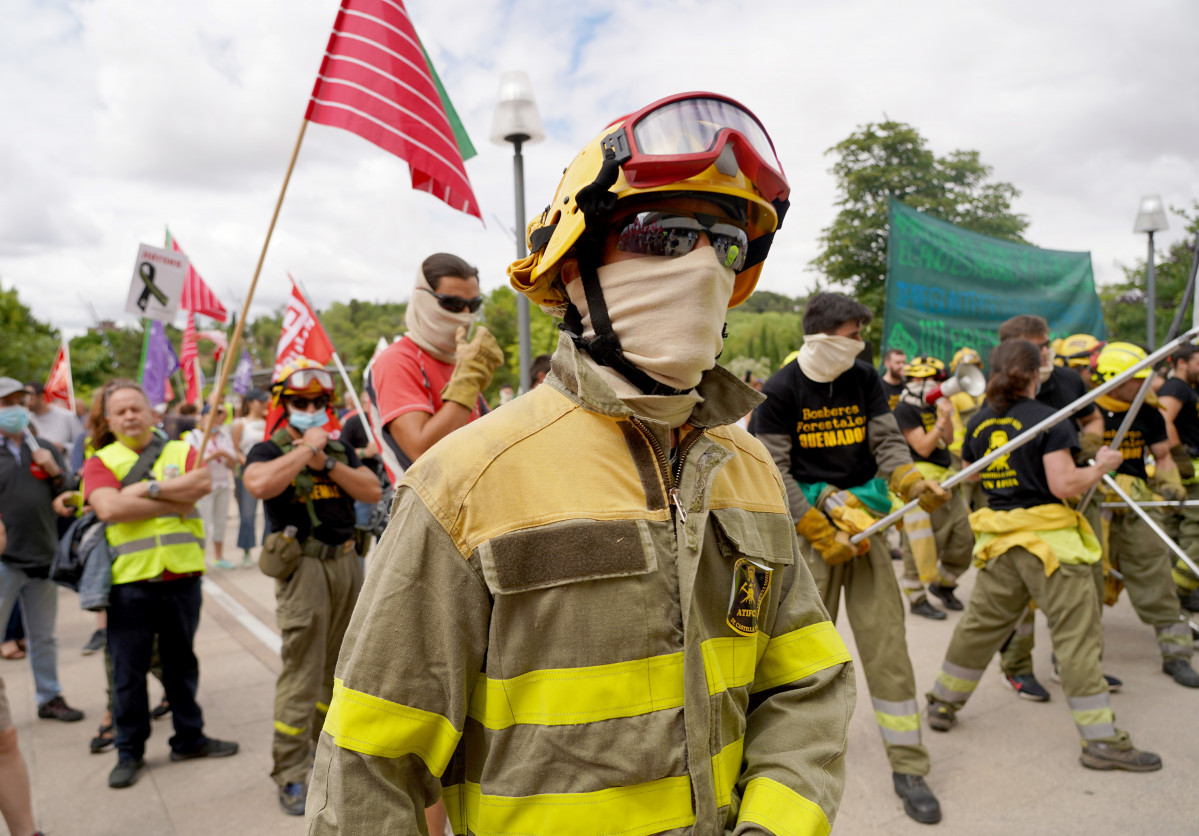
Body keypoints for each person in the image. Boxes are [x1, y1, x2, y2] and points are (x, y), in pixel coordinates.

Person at [308, 92, 854, 835]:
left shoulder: (749, 464)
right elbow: (369, 767)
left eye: (725, 243)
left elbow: (805, 682)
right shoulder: (462, 483)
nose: (701, 266)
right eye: (662, 236)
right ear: (571, 271)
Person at [753, 291, 945, 824]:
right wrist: (813, 526)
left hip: (867, 526)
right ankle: (785, 771)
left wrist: (907, 478)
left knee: (887, 646)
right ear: (820, 334)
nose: (861, 343)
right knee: (804, 660)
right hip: (812, 536)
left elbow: (887, 444)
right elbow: (773, 468)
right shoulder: (780, 389)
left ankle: (909, 766)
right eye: (852, 333)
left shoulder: (864, 381)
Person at [926, 339, 1163, 771]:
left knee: (980, 628)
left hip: (1000, 544)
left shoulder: (979, 423)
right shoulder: (1050, 420)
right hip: (1051, 548)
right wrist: (1102, 465)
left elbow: (972, 472)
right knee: (1076, 640)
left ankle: (943, 702)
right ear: (1037, 374)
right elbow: (1064, 485)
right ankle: (1101, 741)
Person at [82, 379, 238, 789]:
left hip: (183, 578)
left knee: (181, 664)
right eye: (121, 411)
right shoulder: (100, 460)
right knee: (127, 674)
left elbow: (201, 487)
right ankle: (129, 750)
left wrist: (145, 488)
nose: (130, 416)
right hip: (129, 584)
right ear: (110, 420)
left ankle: (190, 737)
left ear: (154, 413)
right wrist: (172, 497)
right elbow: (109, 507)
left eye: (137, 408)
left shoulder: (181, 450)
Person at [244, 359, 380, 816]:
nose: (309, 408)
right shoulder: (268, 449)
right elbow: (260, 484)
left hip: (346, 564)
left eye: (317, 402)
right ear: (284, 405)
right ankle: (289, 772)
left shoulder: (338, 449)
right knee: (302, 672)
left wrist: (325, 460)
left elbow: (370, 490)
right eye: (300, 402)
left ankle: (327, 755)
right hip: (302, 569)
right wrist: (306, 452)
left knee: (340, 668)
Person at [994, 315, 1106, 701]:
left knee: (1086, 584)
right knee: (1017, 598)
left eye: (1048, 344)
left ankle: (1077, 664)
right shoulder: (995, 394)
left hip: (1072, 501)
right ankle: (1018, 667)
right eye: (1037, 346)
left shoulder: (1069, 382)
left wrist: (1087, 450)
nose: (1047, 352)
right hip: (1019, 508)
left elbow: (1093, 420)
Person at [1090, 342, 1199, 687]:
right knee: (1087, 580)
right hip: (1095, 503)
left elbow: (1163, 455)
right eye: (1137, 379)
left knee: (1155, 572)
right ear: (1113, 380)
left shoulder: (1147, 411)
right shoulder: (1086, 411)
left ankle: (1176, 653)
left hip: (1137, 503)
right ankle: (1078, 660)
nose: (1148, 385)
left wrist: (1170, 485)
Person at [0, 377, 85, 724]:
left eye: (21, 400)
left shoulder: (44, 446)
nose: (15, 408)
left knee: (43, 636)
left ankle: (49, 696)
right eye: (7, 402)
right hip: (5, 559)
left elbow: (68, 492)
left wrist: (54, 473)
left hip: (43, 554)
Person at [371, 253, 502, 475]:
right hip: (422, 507)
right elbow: (422, 451)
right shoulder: (397, 359)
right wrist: (467, 383)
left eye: (473, 305)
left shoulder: (460, 361)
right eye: (453, 304)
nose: (466, 315)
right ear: (423, 299)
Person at [892, 356, 974, 620]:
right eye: (923, 379)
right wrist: (940, 421)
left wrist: (945, 416)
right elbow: (924, 447)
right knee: (920, 545)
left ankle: (945, 585)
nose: (931, 385)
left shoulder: (936, 407)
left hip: (947, 480)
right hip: (919, 482)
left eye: (936, 380)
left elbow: (947, 440)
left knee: (964, 538)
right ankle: (916, 597)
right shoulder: (904, 409)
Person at [1156, 342, 1199, 612]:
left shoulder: (1187, 389)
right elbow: (1164, 419)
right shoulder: (1176, 387)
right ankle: (1176, 593)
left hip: (1190, 468)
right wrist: (1178, 456)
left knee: (1179, 534)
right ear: (1182, 362)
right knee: (1193, 534)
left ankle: (1176, 596)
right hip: (1189, 469)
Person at [187, 404, 238, 569]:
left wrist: (226, 456)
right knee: (203, 522)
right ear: (203, 417)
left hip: (222, 483)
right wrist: (214, 455)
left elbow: (232, 462)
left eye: (219, 415)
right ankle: (198, 558)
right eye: (212, 415)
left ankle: (218, 556)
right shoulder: (193, 437)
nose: (216, 419)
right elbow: (192, 463)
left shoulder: (224, 436)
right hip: (204, 486)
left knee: (220, 521)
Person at [233, 388, 270, 566]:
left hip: (268, 471)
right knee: (247, 514)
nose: (264, 403)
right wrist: (247, 463)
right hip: (248, 473)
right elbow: (235, 448)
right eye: (260, 400)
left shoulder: (269, 421)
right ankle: (246, 550)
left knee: (270, 513)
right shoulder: (240, 424)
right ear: (250, 403)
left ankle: (268, 548)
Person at [24, 381, 83, 460]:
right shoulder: (25, 419)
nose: (27, 401)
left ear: (41, 397)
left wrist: (64, 448)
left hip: (65, 469)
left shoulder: (67, 416)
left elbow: (82, 444)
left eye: (29, 397)